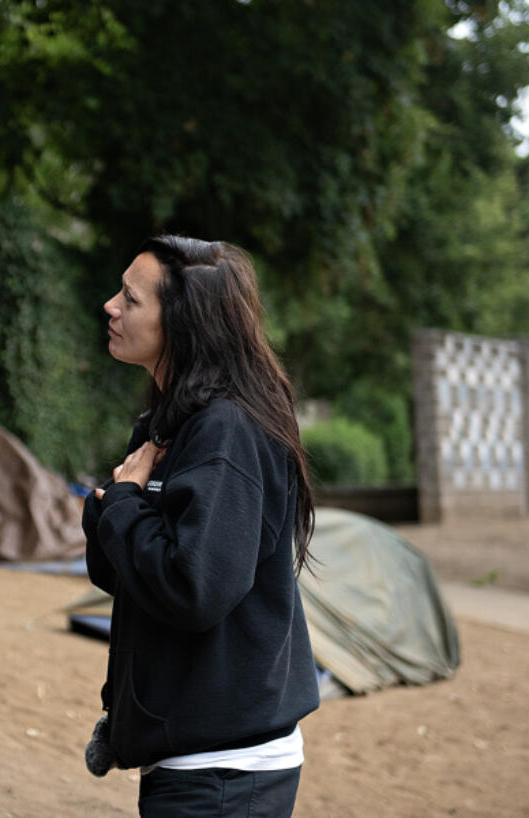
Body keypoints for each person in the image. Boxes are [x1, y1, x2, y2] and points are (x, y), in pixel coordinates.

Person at [81, 236, 319, 817]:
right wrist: (116, 507)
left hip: (225, 771)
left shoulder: (228, 432)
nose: (111, 306)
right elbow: (125, 573)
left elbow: (195, 590)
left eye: (131, 300)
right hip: (190, 756)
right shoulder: (169, 423)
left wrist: (121, 504)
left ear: (182, 324)